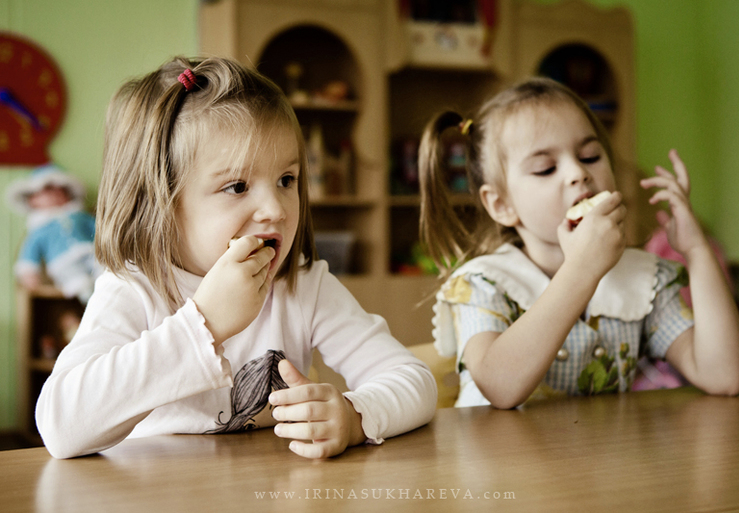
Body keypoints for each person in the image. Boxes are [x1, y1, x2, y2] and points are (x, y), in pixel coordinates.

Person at [36, 56, 436, 459]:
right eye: (238, 186)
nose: (276, 209)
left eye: (287, 180)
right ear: (161, 204)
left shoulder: (303, 284)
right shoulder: (134, 289)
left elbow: (413, 380)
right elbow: (60, 426)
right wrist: (205, 322)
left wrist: (354, 417)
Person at [419, 77, 739, 408]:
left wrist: (697, 252)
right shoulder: (484, 284)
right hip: (498, 459)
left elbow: (724, 376)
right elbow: (500, 387)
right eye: (545, 168)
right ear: (502, 205)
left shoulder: (642, 281)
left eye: (590, 156)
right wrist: (581, 269)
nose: (578, 172)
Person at [5, 163, 99, 303]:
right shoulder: (39, 229)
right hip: (63, 262)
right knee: (78, 281)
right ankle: (90, 298)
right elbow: (30, 251)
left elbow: (99, 229)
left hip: (91, 252)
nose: (55, 194)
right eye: (47, 191)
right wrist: (28, 272)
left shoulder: (79, 215)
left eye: (59, 190)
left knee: (104, 268)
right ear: (33, 200)